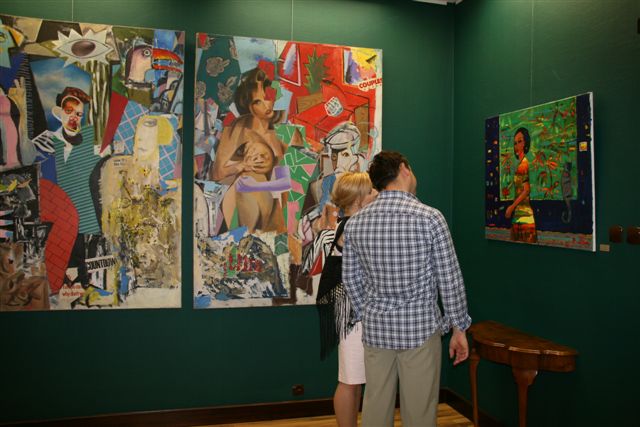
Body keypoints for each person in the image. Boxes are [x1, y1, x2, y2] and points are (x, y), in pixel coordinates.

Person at [342, 151, 471, 427]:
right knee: (420, 411)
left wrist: (368, 312)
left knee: (375, 406)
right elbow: (450, 279)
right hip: (420, 329)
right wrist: (459, 327)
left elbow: (351, 280)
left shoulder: (355, 224)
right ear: (404, 169)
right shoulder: (430, 218)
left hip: (376, 330)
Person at [316, 171, 377, 427]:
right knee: (350, 380)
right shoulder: (354, 226)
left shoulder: (352, 223)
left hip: (354, 309)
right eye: (371, 191)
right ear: (358, 199)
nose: (377, 194)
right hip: (352, 312)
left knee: (355, 379)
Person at [505, 127, 537, 243]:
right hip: (519, 214)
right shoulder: (521, 164)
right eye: (515, 143)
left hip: (524, 215)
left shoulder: (523, 164)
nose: (516, 146)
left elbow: (526, 190)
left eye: (520, 141)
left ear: (525, 143)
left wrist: (511, 207)